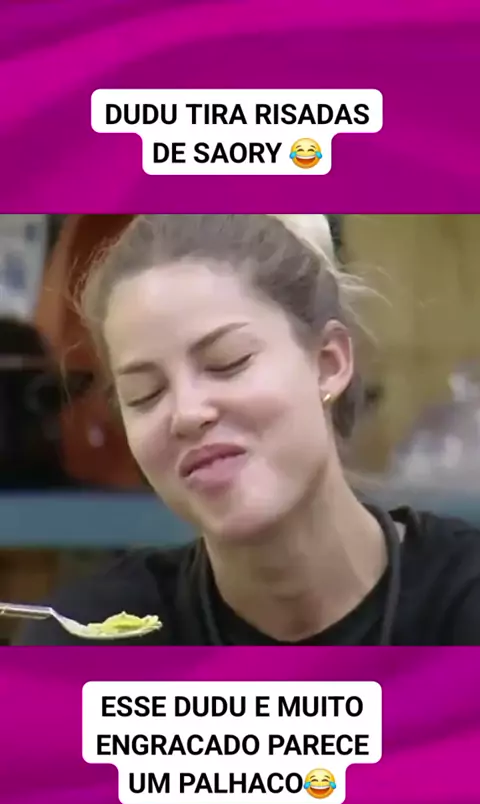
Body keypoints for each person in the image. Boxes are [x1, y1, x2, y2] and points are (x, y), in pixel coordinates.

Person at [18, 214, 480, 645]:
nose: (187, 413)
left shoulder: (461, 602)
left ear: (328, 363)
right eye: (145, 394)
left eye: (228, 362)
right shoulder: (88, 641)